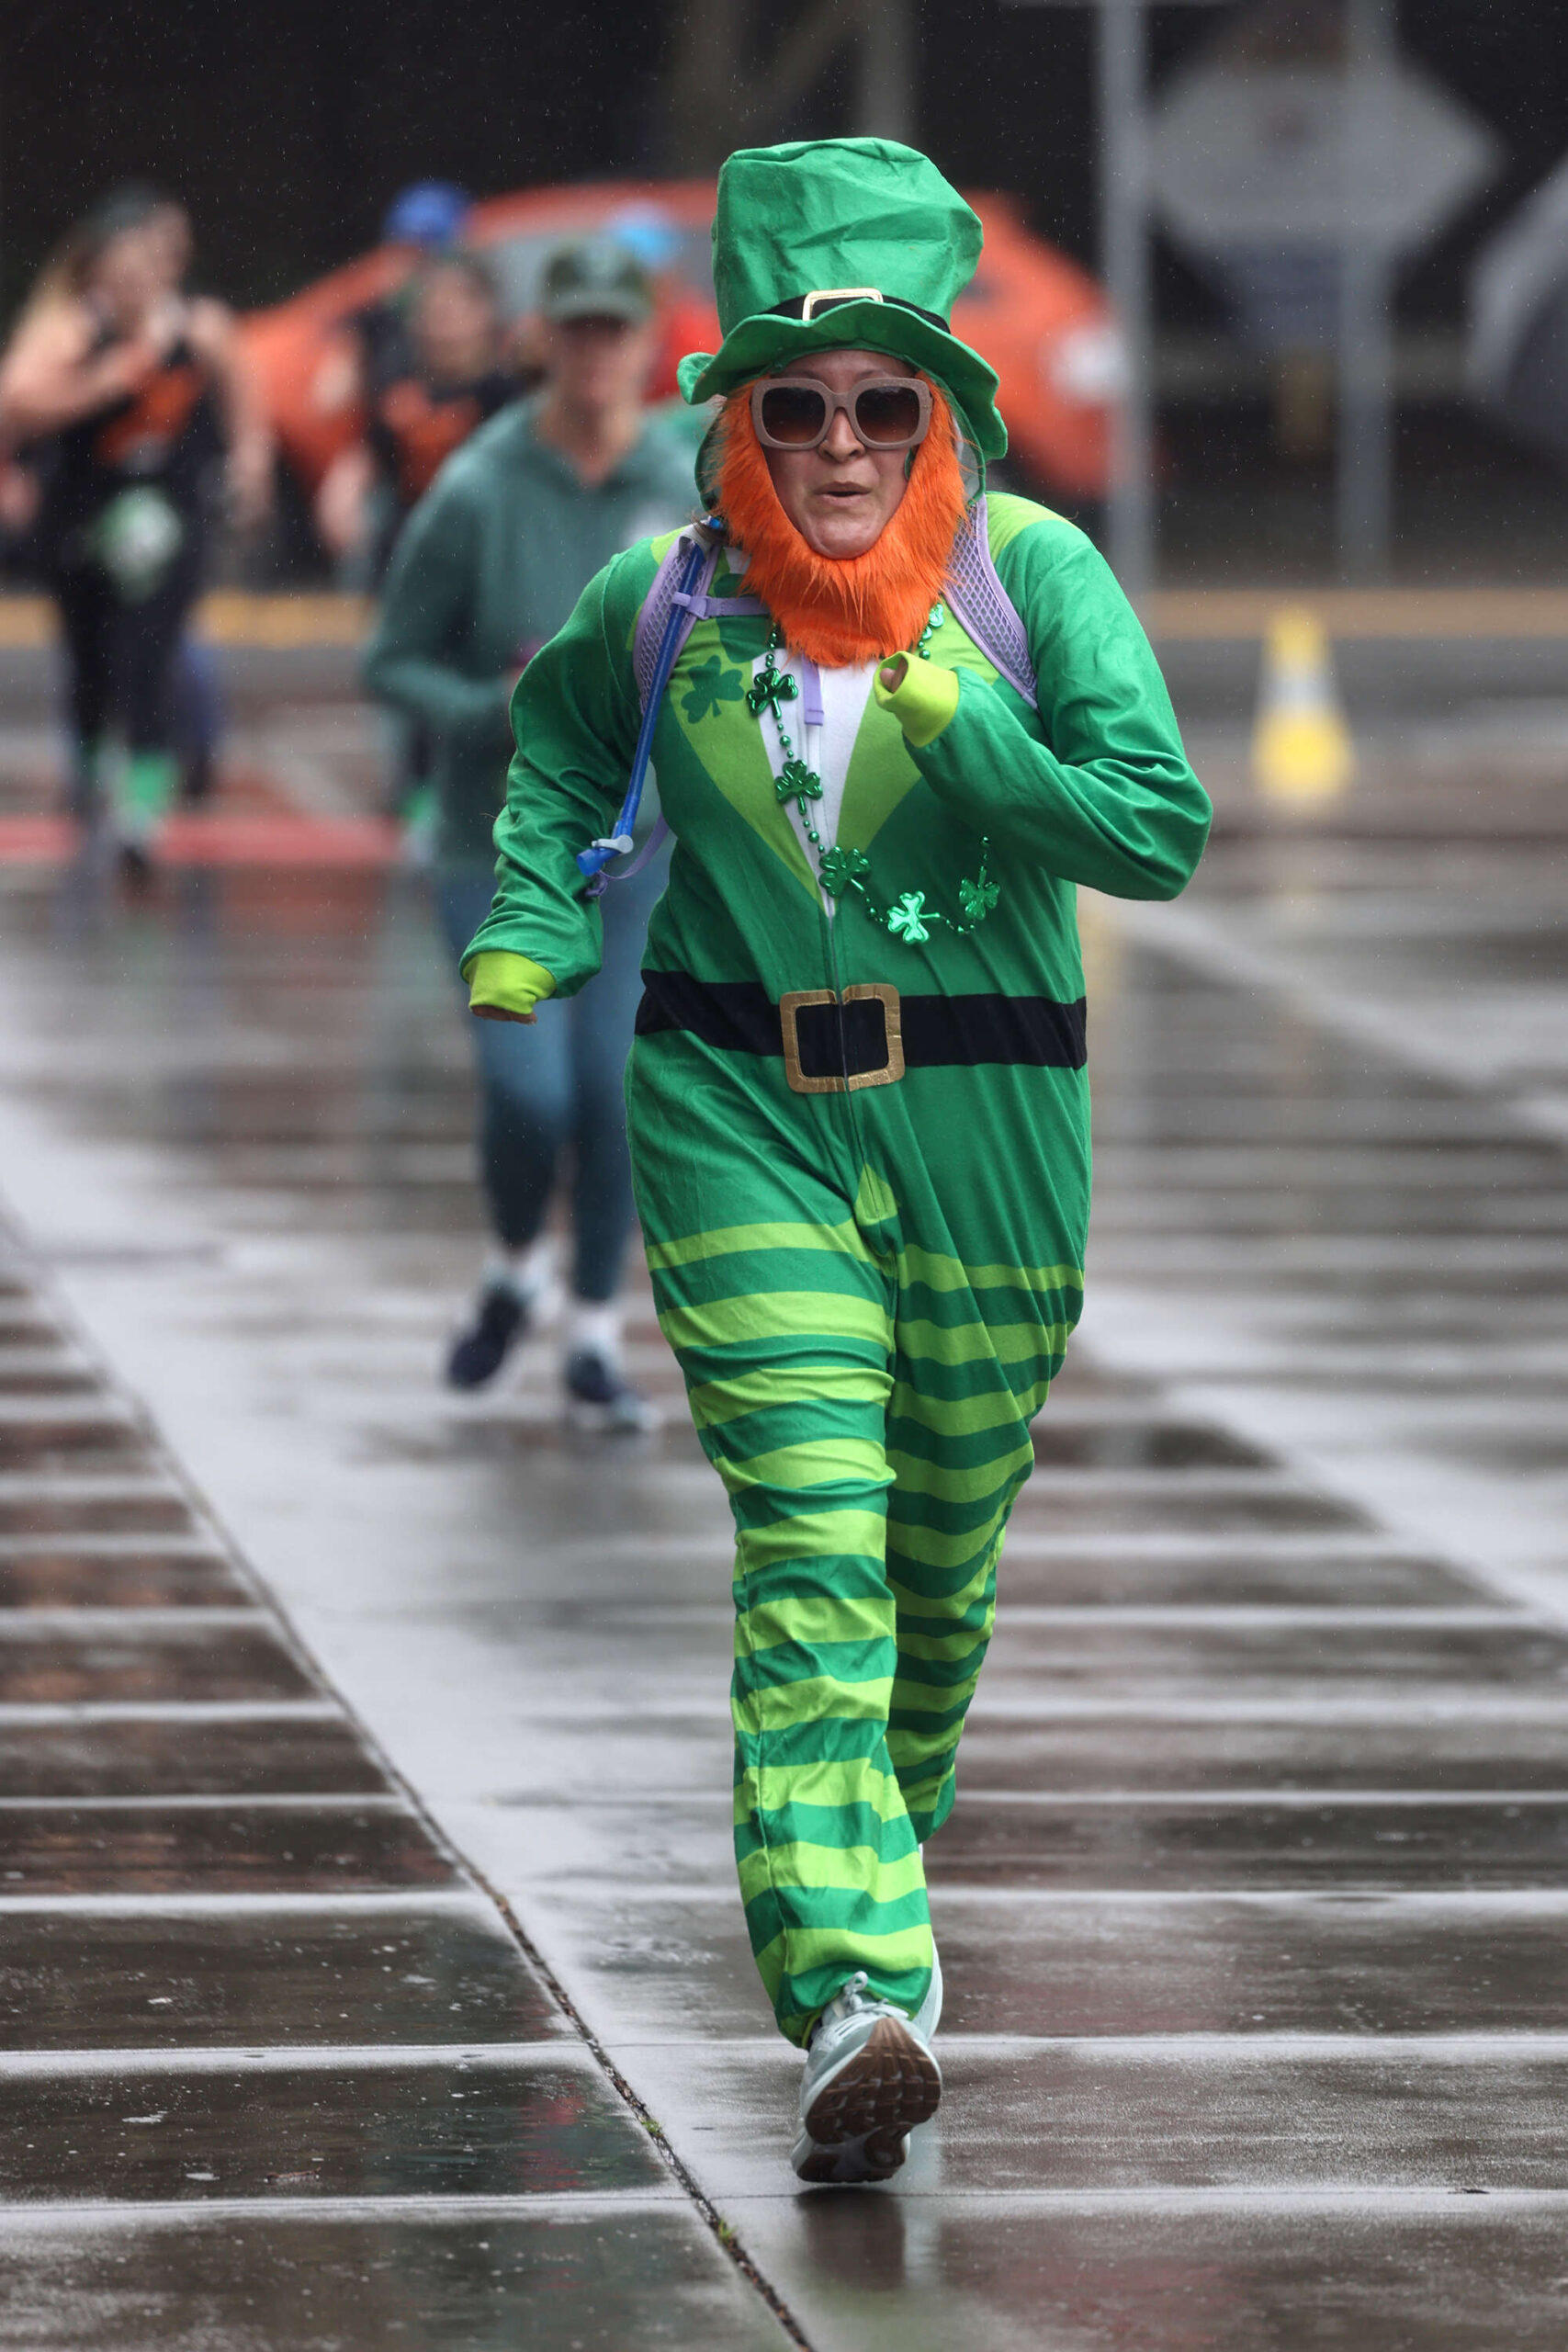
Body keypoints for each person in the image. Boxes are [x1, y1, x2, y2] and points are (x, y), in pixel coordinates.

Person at [459, 140, 1213, 2181]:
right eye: (793, 402)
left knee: (934, 1578)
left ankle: (866, 1840)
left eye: (883, 399)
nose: (839, 440)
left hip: (987, 1124)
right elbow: (544, 741)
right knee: (812, 1543)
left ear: (943, 405)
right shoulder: (666, 593)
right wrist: (535, 901)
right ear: (737, 416)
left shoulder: (1029, 576)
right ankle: (854, 1987)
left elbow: (1156, 825)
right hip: (731, 1108)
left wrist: (974, 729)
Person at [365, 237, 696, 1425]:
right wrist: (487, 711)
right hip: (496, 848)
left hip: (635, 854)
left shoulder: (684, 480)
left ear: (647, 343)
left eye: (618, 330)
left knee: (613, 1096)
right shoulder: (476, 490)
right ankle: (515, 1267)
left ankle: (595, 1335)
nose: (597, 353)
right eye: (577, 331)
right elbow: (390, 658)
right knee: (530, 1096)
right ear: (539, 342)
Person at [0, 190, 271, 861]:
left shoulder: (200, 328)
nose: (134, 284)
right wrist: (105, 380)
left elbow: (246, 400)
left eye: (147, 269)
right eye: (119, 272)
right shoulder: (70, 329)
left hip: (169, 519)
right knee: (89, 659)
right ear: (96, 274)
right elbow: (19, 401)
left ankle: (142, 810)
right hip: (80, 520)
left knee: (150, 653)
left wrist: (250, 464)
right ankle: (89, 776)